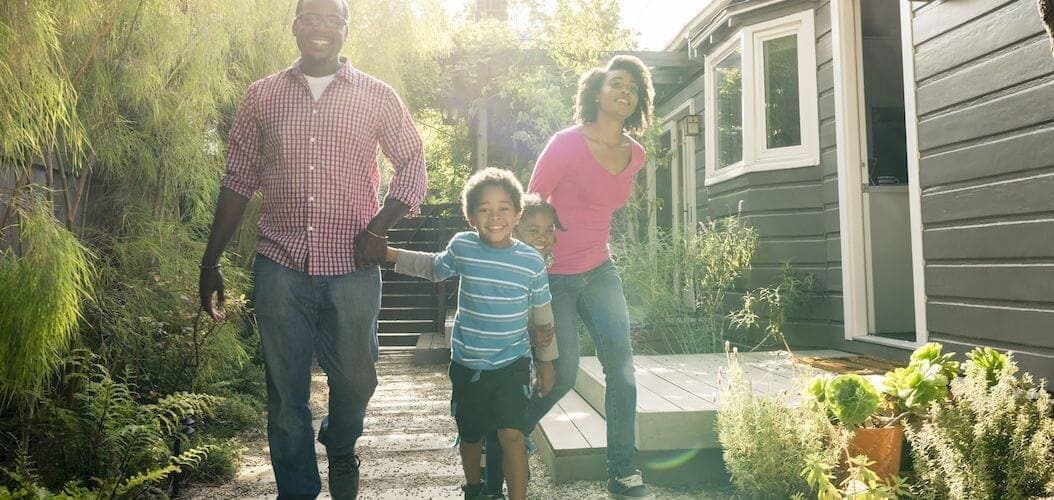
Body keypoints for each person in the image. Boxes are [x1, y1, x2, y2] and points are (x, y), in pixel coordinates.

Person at [197, 0, 427, 497]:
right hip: (280, 266)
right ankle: (298, 490)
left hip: (353, 267)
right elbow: (237, 179)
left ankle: (342, 445)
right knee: (285, 395)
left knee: (358, 380)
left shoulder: (376, 96)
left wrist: (379, 227)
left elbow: (412, 164)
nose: (321, 28)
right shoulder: (261, 97)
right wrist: (210, 260)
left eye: (333, 19)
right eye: (312, 18)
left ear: (346, 29)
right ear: (296, 26)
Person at [485, 55, 656, 499]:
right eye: (616, 83)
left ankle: (621, 469)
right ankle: (505, 437)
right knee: (561, 374)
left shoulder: (635, 154)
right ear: (596, 92)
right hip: (553, 275)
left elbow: (605, 209)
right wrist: (524, 265)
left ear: (638, 100)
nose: (625, 92)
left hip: (600, 269)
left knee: (622, 372)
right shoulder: (565, 144)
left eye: (633, 88)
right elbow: (529, 204)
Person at [385, 168, 557, 500]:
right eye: (484, 209)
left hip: (512, 363)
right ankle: (475, 489)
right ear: (470, 216)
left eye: (504, 208)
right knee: (471, 434)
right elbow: (434, 267)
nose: (495, 216)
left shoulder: (531, 263)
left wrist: (547, 364)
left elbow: (543, 319)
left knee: (513, 435)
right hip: (468, 365)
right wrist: (388, 253)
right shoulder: (463, 247)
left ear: (518, 214)